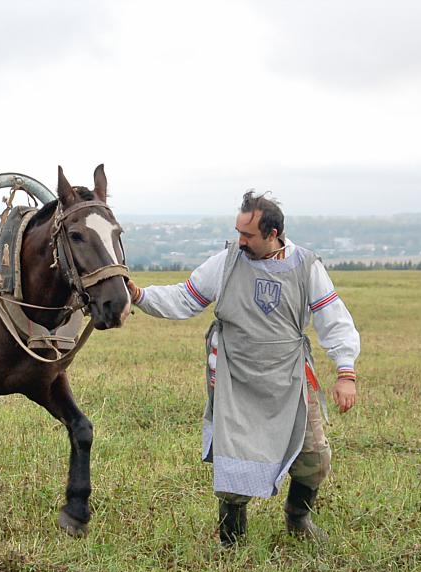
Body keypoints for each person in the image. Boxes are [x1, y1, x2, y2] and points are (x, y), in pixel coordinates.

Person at [127, 191, 359, 546]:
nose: (240, 241)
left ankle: (298, 519)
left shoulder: (307, 266)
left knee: (314, 457)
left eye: (248, 235)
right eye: (238, 232)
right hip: (237, 378)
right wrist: (141, 296)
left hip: (290, 378)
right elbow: (186, 298)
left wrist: (345, 372)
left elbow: (334, 320)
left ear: (273, 233)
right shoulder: (227, 261)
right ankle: (231, 539)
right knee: (235, 461)